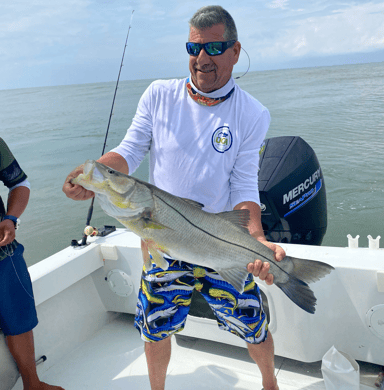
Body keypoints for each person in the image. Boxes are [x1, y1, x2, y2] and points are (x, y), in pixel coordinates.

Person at [63, 6, 285, 390]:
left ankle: (270, 384)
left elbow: (245, 185)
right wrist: (94, 173)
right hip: (163, 245)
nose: (202, 58)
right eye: (194, 47)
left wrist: (258, 239)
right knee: (154, 328)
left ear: (235, 51)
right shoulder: (159, 95)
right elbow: (130, 152)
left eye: (215, 47)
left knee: (252, 323)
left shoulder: (252, 113)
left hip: (219, 241)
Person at [0, 137, 64, 390]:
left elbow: (19, 183)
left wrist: (11, 218)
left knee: (19, 321)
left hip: (4, 255)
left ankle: (32, 383)